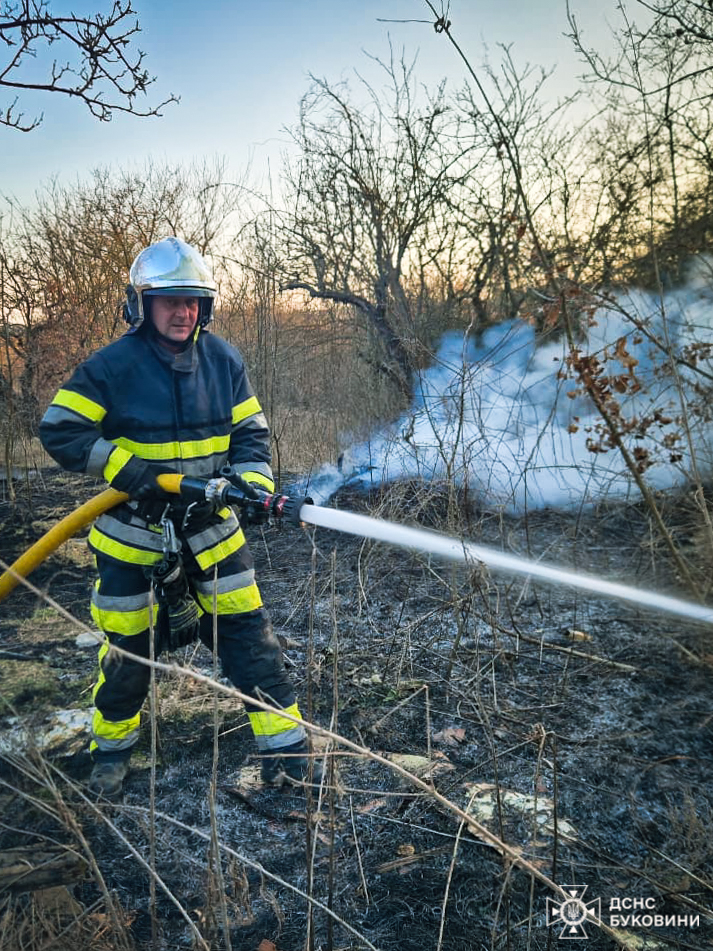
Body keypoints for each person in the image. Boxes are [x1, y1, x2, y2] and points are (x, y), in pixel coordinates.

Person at [39, 236, 318, 797]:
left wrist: (254, 486)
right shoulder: (111, 367)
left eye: (192, 301)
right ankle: (111, 754)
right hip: (133, 537)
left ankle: (287, 753)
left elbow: (250, 435)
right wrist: (128, 470)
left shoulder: (223, 360)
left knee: (250, 640)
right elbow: (61, 431)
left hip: (213, 532)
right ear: (141, 305)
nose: (183, 312)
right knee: (128, 654)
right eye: (170, 301)